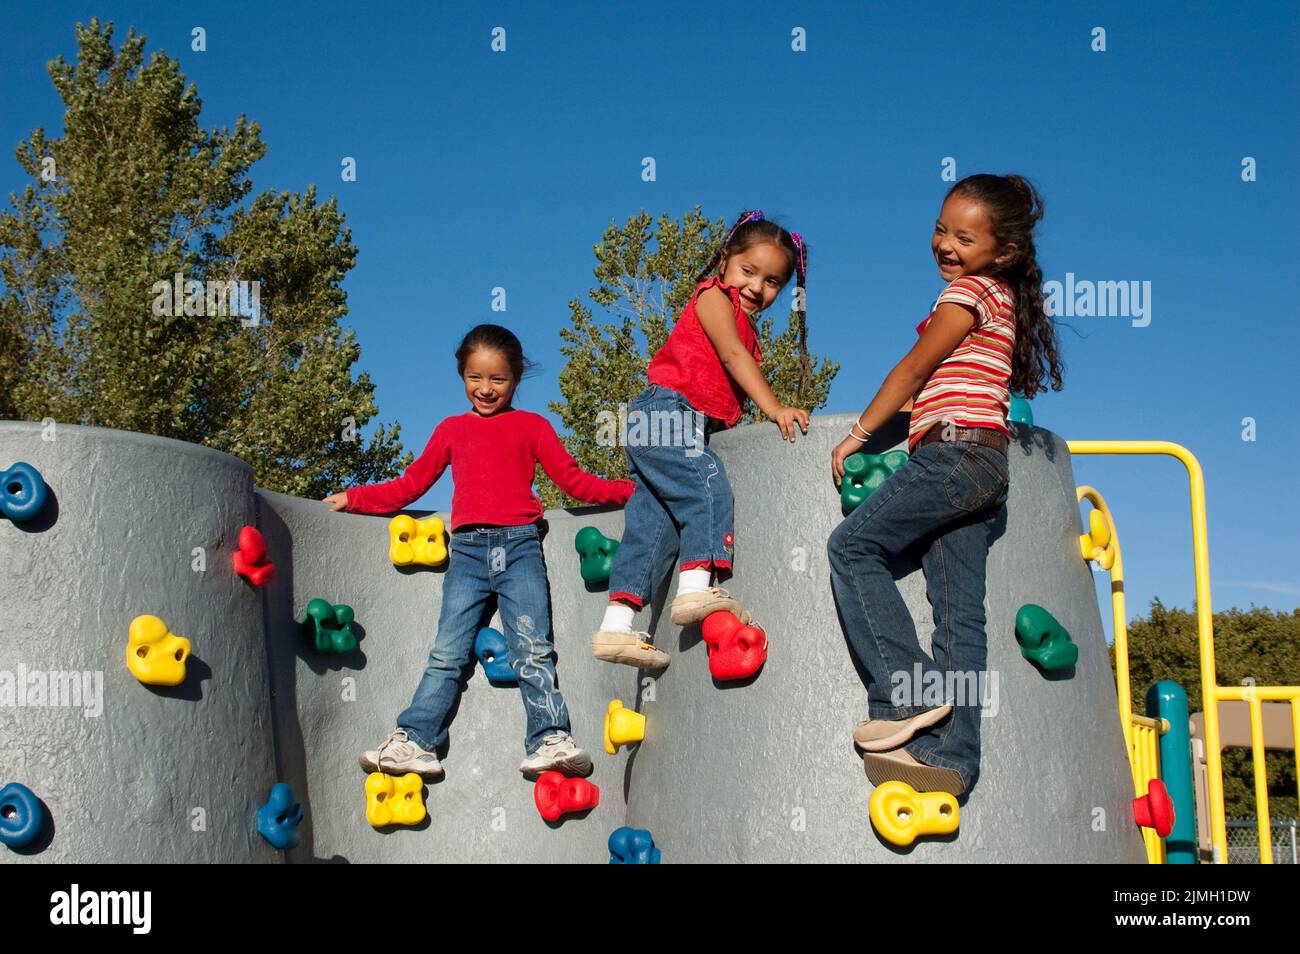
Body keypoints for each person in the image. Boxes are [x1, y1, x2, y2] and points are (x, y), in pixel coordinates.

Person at [827, 174, 1063, 796]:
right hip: (985, 464)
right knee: (959, 615)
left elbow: (912, 370)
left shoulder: (971, 293)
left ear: (1002, 252)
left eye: (964, 236)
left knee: (852, 548)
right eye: (940, 229)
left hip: (953, 457)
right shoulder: (1002, 298)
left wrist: (857, 434)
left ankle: (908, 693)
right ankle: (953, 759)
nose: (945, 245)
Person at [323, 324, 634, 780]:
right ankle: (415, 741)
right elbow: (410, 486)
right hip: (466, 553)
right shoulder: (451, 430)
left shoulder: (532, 427)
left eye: (498, 380)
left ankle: (549, 739)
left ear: (516, 380)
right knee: (447, 654)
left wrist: (631, 491)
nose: (485, 389)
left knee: (532, 648)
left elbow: (574, 481)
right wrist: (357, 497)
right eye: (475, 377)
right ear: (462, 375)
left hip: (520, 545)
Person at [592, 210, 811, 669]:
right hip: (668, 413)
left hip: (656, 422)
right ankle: (696, 589)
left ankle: (616, 626)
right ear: (725, 260)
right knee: (707, 485)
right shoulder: (713, 297)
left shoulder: (746, 325)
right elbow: (730, 357)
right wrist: (774, 408)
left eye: (773, 282)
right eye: (748, 271)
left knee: (652, 527)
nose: (756, 287)